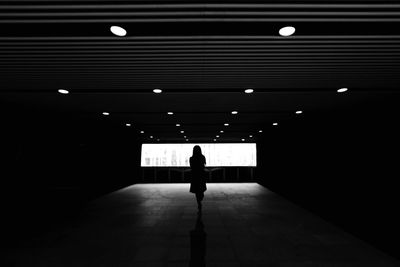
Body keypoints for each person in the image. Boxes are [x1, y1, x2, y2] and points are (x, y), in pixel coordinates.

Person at [189, 145, 207, 213]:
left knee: (196, 191)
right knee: (201, 190)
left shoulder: (191, 158)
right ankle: (200, 200)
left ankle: (199, 203)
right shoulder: (202, 157)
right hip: (201, 175)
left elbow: (191, 167)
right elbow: (204, 165)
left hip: (194, 176)